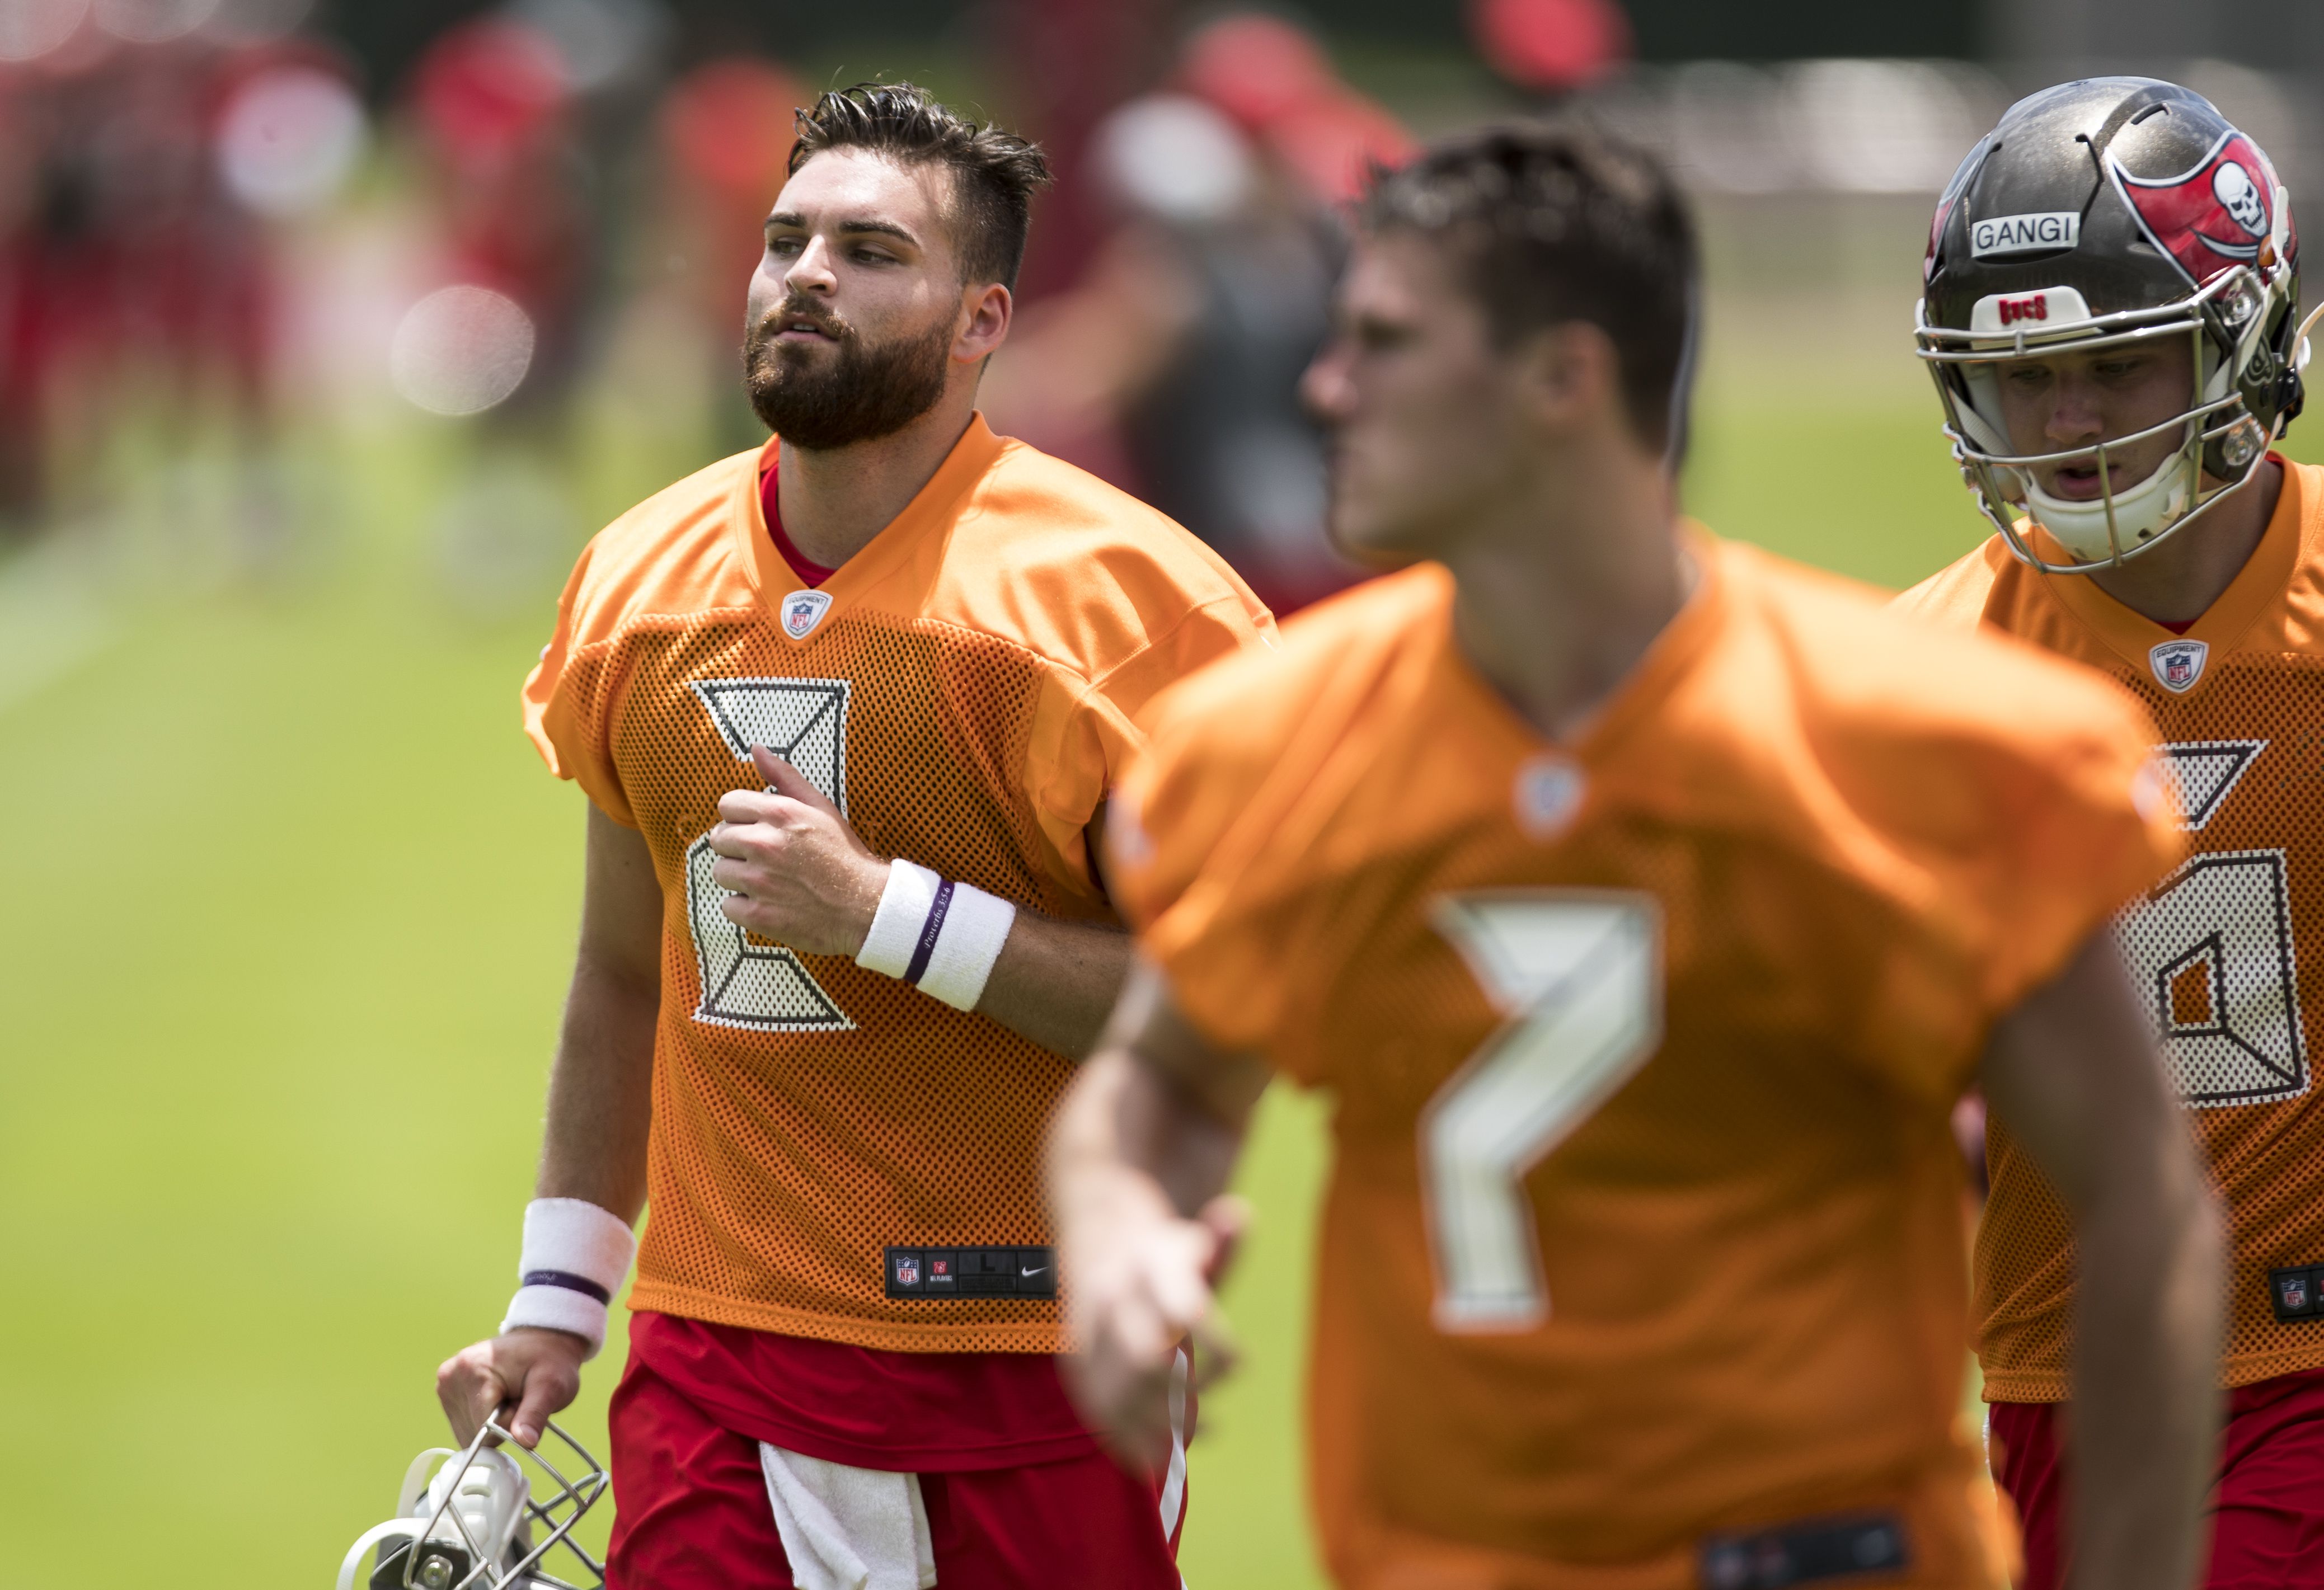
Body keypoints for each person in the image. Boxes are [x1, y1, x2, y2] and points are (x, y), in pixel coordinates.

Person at [1046, 119, 2227, 1590]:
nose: (1321, 385)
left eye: (1385, 342)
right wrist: (1116, 1234)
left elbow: (2138, 1205)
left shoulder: (1923, 740)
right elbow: (1157, 1084)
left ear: (1563, 380)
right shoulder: (1276, 737)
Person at [433, 83, 1273, 1590]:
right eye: (784, 240)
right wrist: (559, 1294)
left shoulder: (1130, 606)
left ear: (982, 320)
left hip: (1026, 1348)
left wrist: (886, 912)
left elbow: (1227, 999)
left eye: (871, 250)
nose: (805, 274)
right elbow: (625, 974)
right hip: (717, 1361)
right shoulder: (640, 579)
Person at [1897, 78, 2324, 1590]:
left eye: (2115, 364)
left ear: (2241, 338)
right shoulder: (1914, 678)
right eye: (2026, 378)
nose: (2064, 421)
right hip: (2054, 1369)